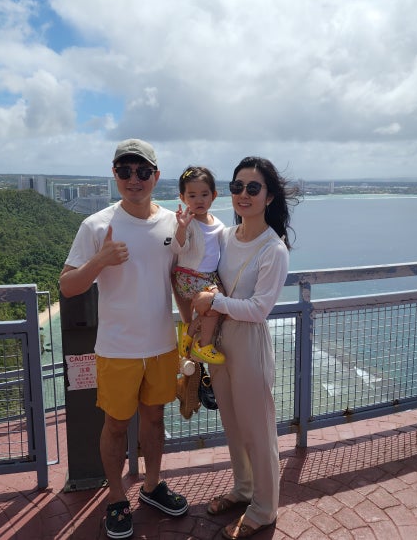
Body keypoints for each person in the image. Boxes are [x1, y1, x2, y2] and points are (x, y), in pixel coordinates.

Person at [59, 138, 188, 539]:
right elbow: (68, 286)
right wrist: (101, 260)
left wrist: (192, 329)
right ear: (114, 174)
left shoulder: (171, 223)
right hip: (117, 348)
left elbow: (179, 279)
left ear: (156, 176)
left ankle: (151, 485)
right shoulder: (96, 225)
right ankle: (116, 498)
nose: (135, 179)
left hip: (162, 344)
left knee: (155, 418)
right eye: (125, 170)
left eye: (143, 171)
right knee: (115, 425)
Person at [190, 156, 300, 539]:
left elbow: (258, 309)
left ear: (269, 196)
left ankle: (265, 508)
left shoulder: (274, 249)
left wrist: (214, 302)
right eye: (237, 187)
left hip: (248, 340)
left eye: (253, 188)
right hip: (219, 339)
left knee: (258, 429)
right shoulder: (225, 236)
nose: (244, 194)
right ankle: (243, 488)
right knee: (233, 424)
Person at [171, 166, 227, 367]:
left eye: (204, 194)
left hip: (208, 278)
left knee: (222, 302)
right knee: (215, 303)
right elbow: (178, 248)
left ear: (214, 195)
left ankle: (188, 330)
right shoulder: (187, 222)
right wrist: (181, 228)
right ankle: (203, 345)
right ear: (183, 197)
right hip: (189, 277)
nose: (199, 200)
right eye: (192, 195)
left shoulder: (218, 224)